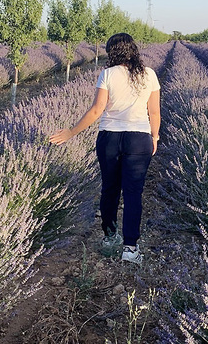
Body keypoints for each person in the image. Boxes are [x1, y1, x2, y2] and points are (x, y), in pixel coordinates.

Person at [48, 33, 161, 265]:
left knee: (110, 189)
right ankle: (130, 248)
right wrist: (155, 137)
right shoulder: (149, 75)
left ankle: (110, 236)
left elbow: (97, 110)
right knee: (133, 193)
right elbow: (155, 112)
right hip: (139, 139)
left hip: (109, 138)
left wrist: (71, 132)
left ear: (113, 52)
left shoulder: (107, 74)